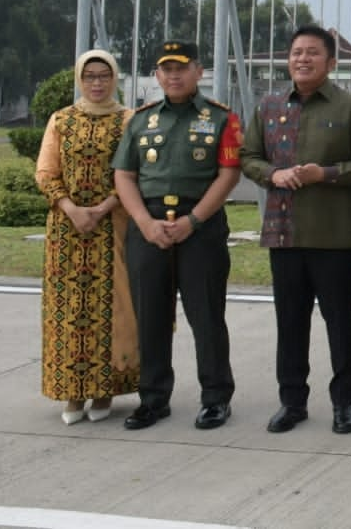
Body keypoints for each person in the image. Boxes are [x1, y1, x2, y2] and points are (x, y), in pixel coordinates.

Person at [240, 24, 351, 435]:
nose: (302, 59)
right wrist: (272, 175)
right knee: (290, 322)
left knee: (340, 322)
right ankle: (292, 402)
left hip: (334, 236)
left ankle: (344, 404)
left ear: (331, 62)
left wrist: (327, 173)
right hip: (283, 234)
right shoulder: (268, 107)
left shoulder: (349, 108)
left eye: (312, 53)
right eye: (296, 52)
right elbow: (249, 156)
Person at [111, 40, 242, 430]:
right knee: (149, 316)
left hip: (200, 226)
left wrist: (193, 221)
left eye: (181, 67)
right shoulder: (140, 119)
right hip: (148, 227)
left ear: (199, 71)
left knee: (206, 317)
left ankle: (216, 398)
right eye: (166, 68)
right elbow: (125, 175)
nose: (173, 75)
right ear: (157, 75)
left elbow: (229, 174)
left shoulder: (222, 118)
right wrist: (145, 223)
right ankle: (153, 399)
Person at [34, 49, 138, 424]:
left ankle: (105, 390)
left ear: (114, 79)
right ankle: (72, 394)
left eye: (104, 76)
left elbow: (135, 171)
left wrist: (102, 208)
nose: (97, 83)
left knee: (114, 309)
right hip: (67, 233)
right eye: (90, 76)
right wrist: (72, 209)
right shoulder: (61, 120)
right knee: (69, 312)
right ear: (79, 78)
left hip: (113, 227)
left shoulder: (129, 120)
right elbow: (46, 172)